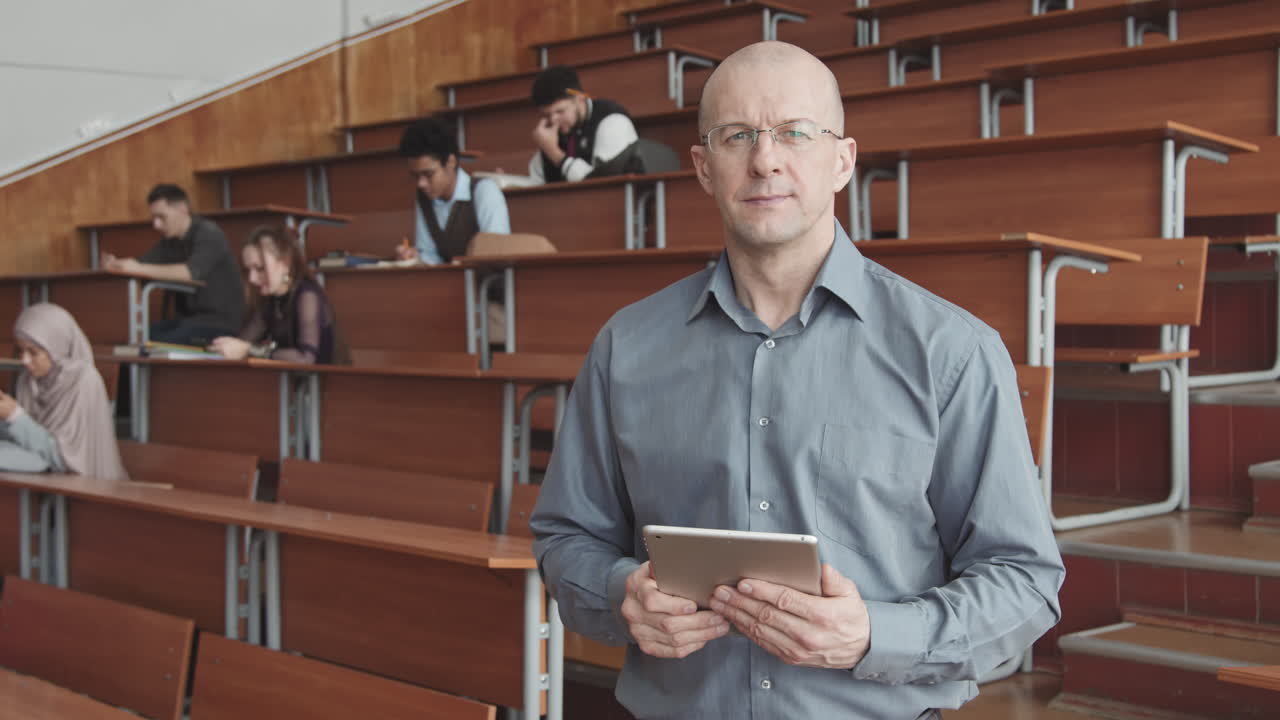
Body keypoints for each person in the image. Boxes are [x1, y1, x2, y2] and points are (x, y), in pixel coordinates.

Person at [530, 42, 1064, 719]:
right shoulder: (625, 347)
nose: (765, 160)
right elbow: (565, 537)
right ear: (702, 166)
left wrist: (875, 635)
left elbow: (1024, 581)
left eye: (795, 132)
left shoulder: (951, 351)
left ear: (842, 160)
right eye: (736, 136)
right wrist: (619, 594)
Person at [101, 184, 244, 346]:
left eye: (161, 217)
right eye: (154, 218)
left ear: (182, 209)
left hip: (218, 323)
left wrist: (137, 268)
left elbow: (190, 273)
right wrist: (116, 264)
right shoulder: (170, 241)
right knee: (135, 337)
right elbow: (140, 264)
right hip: (187, 320)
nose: (156, 225)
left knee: (150, 344)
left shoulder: (209, 233)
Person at [0, 303, 128, 480]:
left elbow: (63, 459)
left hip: (82, 482)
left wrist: (14, 415)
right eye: (21, 351)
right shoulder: (28, 380)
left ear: (56, 348)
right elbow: (26, 443)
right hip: (41, 477)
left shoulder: (82, 380)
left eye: (33, 352)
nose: (25, 361)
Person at [210, 226, 347, 364]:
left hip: (321, 377)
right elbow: (243, 341)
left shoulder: (307, 296)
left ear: (285, 264)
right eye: (248, 270)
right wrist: (225, 347)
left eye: (260, 268)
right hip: (286, 377)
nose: (252, 278)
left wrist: (249, 349)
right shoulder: (271, 300)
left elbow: (306, 359)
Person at [394, 116, 511, 264]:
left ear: (451, 162)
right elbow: (430, 256)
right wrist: (416, 259)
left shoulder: (485, 191)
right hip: (448, 277)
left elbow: (496, 253)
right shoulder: (425, 197)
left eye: (428, 174)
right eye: (415, 176)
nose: (421, 184)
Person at [527, 65, 642, 184]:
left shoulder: (612, 122)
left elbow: (602, 184)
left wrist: (554, 153)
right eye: (546, 115)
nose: (553, 120)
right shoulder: (550, 135)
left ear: (580, 98)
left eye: (560, 111)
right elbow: (536, 184)